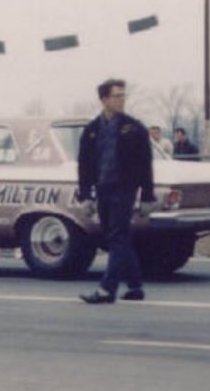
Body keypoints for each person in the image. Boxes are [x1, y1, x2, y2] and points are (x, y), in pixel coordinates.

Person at [76, 79, 155, 304]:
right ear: (104, 100)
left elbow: (145, 163)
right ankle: (135, 286)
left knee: (118, 235)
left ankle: (106, 289)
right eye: (117, 96)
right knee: (116, 238)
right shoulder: (92, 130)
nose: (122, 100)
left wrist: (147, 195)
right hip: (102, 189)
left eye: (123, 95)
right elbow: (84, 164)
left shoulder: (134, 128)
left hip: (125, 189)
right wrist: (85, 195)